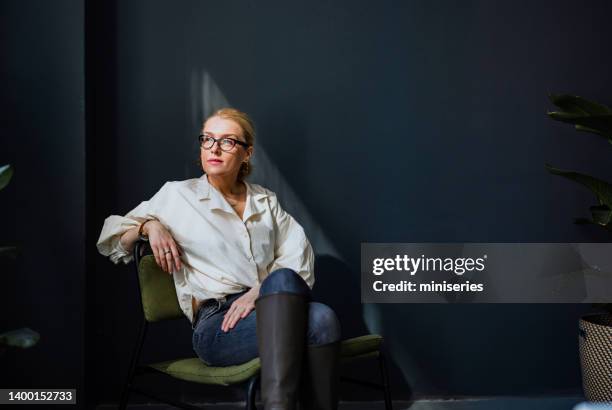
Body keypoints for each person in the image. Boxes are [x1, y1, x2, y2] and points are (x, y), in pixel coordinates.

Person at [97, 108, 342, 410]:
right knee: (317, 319)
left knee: (320, 314)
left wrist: (257, 293)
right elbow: (111, 239)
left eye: (227, 141)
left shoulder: (265, 201)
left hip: (271, 304)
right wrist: (149, 225)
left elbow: (298, 260)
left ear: (247, 153)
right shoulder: (178, 195)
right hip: (219, 325)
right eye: (208, 139)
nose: (214, 148)